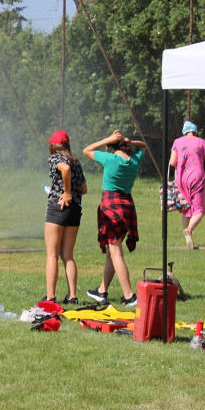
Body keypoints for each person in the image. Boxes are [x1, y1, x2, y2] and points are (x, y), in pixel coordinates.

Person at [83, 131, 146, 307]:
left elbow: (86, 150)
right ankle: (102, 291)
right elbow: (143, 146)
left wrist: (107, 138)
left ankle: (129, 296)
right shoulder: (134, 159)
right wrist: (128, 140)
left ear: (111, 146)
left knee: (116, 252)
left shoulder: (110, 159)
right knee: (113, 251)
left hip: (110, 206)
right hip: (127, 206)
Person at [43, 131, 87, 304]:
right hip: (74, 209)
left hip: (58, 208)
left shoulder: (55, 158)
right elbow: (84, 189)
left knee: (52, 255)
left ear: (54, 145)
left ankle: (51, 297)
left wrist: (66, 192)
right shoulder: (76, 161)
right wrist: (71, 191)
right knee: (68, 255)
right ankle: (72, 296)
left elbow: (64, 168)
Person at [169, 121, 205, 249]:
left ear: (184, 131)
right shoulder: (202, 142)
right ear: (195, 131)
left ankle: (188, 239)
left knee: (186, 209)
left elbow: (172, 162)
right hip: (196, 177)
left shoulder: (177, 142)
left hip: (181, 179)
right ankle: (189, 229)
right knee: (199, 210)